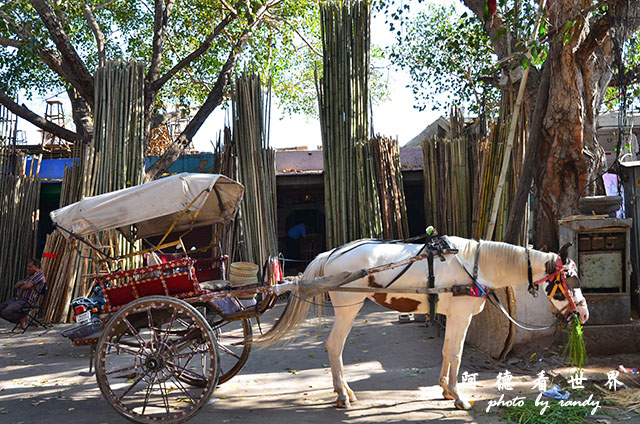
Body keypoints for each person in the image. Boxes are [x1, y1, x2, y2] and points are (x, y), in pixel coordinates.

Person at [0, 259, 46, 329]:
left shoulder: (39, 275)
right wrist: (24, 283)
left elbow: (26, 286)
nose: (28, 269)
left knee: (6, 311)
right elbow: (16, 286)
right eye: (27, 267)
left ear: (36, 267)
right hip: (17, 299)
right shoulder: (29, 277)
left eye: (30, 267)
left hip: (26, 301)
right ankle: (22, 317)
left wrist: (23, 284)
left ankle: (21, 318)